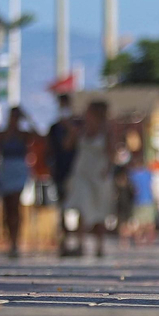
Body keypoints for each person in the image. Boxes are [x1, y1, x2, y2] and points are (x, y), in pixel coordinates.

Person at [63, 100, 118, 257]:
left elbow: (112, 154)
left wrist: (107, 169)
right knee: (82, 206)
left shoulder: (106, 131)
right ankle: (80, 244)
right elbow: (67, 146)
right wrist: (71, 131)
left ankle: (99, 246)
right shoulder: (81, 130)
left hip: (99, 175)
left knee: (99, 210)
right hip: (82, 173)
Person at [0, 106, 34, 259]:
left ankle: (16, 242)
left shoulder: (24, 134)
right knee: (7, 207)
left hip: (19, 168)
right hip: (5, 168)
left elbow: (38, 137)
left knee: (16, 205)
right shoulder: (2, 134)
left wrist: (28, 118)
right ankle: (9, 241)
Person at [46, 95, 79, 255]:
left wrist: (71, 129)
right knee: (62, 209)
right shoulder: (54, 128)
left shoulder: (78, 125)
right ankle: (64, 243)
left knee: (79, 207)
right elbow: (50, 150)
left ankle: (80, 242)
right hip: (60, 171)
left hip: (77, 172)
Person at [127, 152, 157, 245]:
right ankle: (149, 241)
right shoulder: (148, 173)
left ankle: (138, 241)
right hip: (148, 200)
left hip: (138, 201)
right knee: (149, 223)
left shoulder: (132, 174)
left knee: (138, 223)